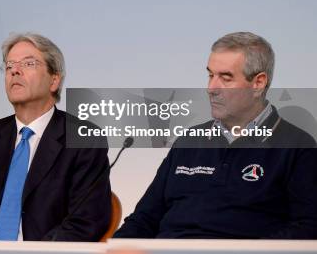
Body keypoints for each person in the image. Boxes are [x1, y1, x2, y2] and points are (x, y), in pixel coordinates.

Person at [115, 32, 317, 239]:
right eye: (211, 75)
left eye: (226, 78)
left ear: (258, 83)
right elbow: (144, 219)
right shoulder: (189, 141)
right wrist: (116, 247)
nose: (211, 88)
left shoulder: (299, 147)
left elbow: (307, 228)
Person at [0, 33, 111, 241]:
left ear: (54, 80)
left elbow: (84, 223)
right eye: (9, 66)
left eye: (28, 63)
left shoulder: (84, 138)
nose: (15, 71)